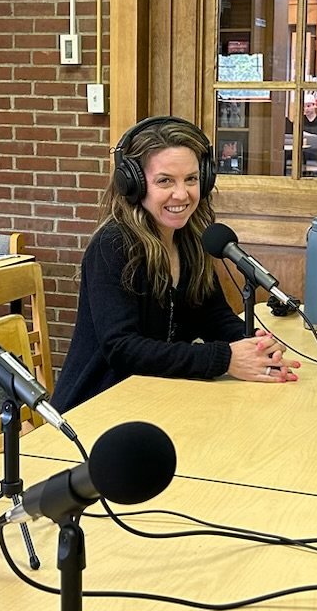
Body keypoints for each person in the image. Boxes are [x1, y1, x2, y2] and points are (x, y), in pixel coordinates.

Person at [52, 116, 300, 411]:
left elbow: (214, 317)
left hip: (158, 398)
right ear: (132, 183)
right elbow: (122, 348)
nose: (181, 194)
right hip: (96, 408)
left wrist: (257, 349)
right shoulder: (112, 245)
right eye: (165, 181)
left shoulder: (190, 240)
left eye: (191, 179)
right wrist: (226, 359)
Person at [284, 97, 317, 173]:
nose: (306, 109)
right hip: (300, 149)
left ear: (314, 106)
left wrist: (304, 134)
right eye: (304, 107)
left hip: (314, 151)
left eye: (308, 106)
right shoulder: (300, 120)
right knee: (285, 153)